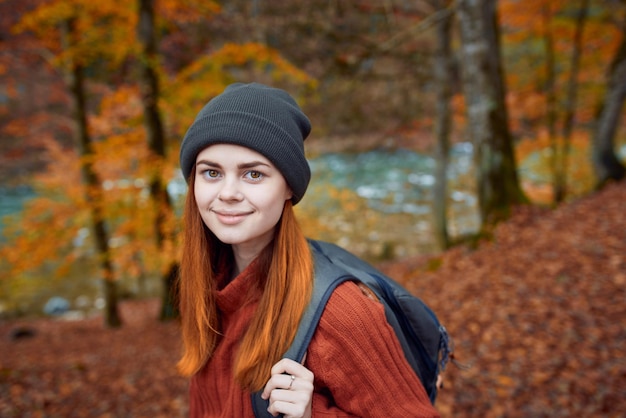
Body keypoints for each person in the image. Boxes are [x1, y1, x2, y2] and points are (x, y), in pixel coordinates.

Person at [177, 82, 440, 417]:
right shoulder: (207, 287)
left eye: (253, 174)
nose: (228, 192)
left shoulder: (340, 311)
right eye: (211, 172)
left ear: (289, 186)